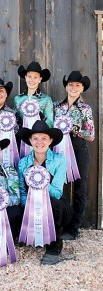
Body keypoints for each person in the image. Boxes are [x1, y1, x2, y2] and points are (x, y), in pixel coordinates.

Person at [18, 120, 73, 265]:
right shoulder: (23, 163)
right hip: (32, 206)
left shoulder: (59, 160)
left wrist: (39, 178)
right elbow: (23, 192)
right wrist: (28, 207)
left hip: (57, 207)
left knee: (53, 204)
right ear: (30, 141)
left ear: (50, 140)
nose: (39, 142)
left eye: (44, 138)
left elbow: (57, 192)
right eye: (35, 138)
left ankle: (54, 249)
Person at [54, 71, 95, 240]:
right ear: (66, 86)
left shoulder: (85, 109)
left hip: (78, 148)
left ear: (82, 88)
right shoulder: (57, 106)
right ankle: (60, 223)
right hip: (60, 149)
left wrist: (74, 129)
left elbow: (90, 135)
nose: (73, 87)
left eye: (77, 85)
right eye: (70, 84)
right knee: (59, 187)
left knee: (79, 189)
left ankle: (74, 228)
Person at [13, 61, 53, 127]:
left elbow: (51, 124)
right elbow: (14, 122)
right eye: (29, 76)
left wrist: (40, 115)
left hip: (39, 135)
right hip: (22, 134)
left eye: (35, 77)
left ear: (40, 79)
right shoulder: (17, 99)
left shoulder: (46, 99)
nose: (32, 80)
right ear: (25, 78)